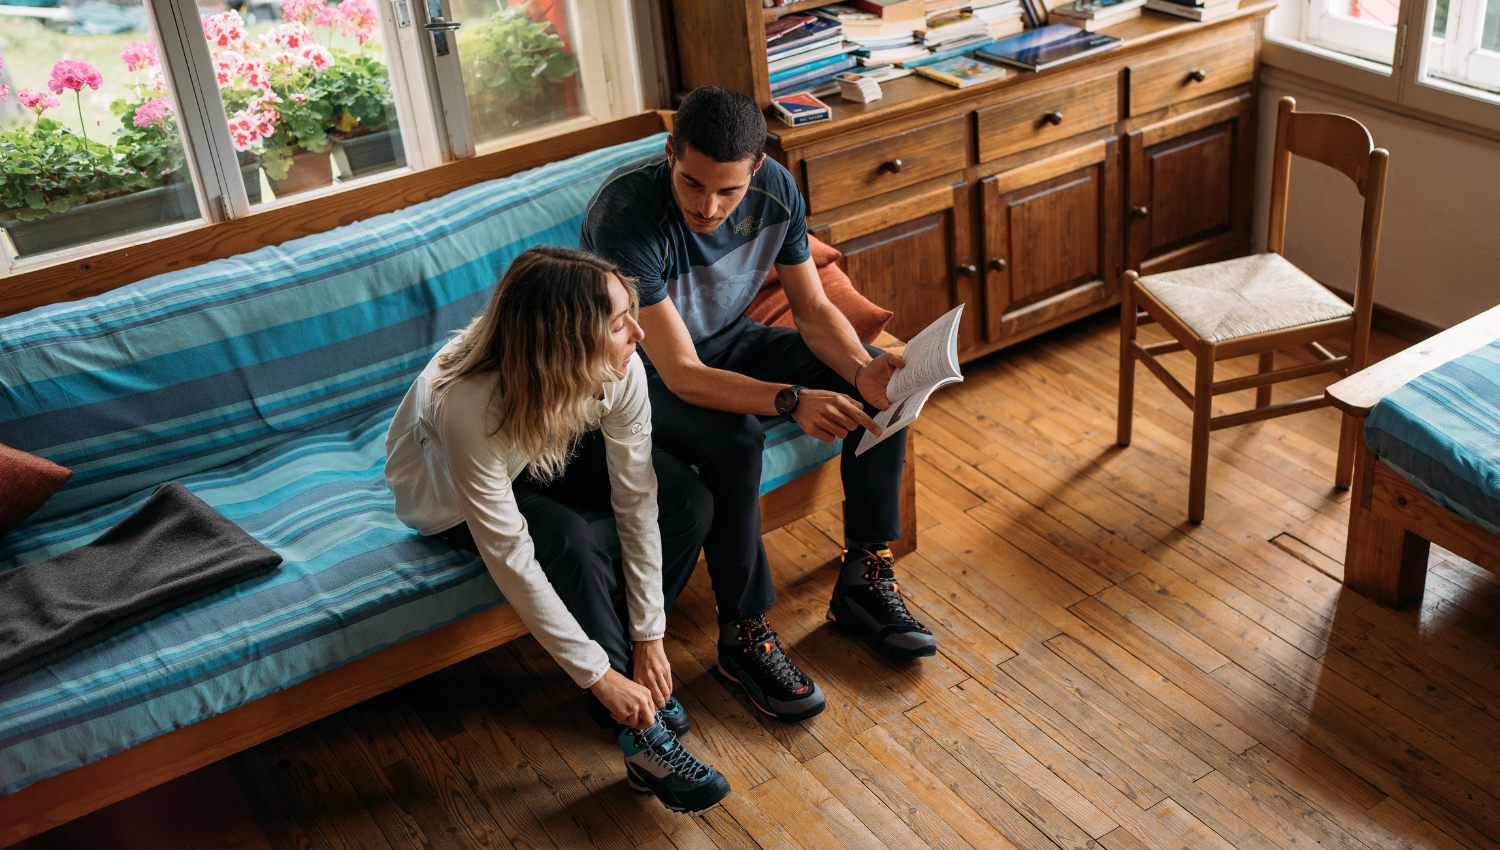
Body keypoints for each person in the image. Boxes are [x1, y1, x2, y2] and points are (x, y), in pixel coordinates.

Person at [579, 86, 937, 724]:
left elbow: (813, 309)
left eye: (728, 191)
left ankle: (866, 572)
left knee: (885, 382)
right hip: (638, 371)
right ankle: (743, 632)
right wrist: (791, 399)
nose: (707, 207)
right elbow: (682, 373)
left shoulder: (777, 188)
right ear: (670, 153)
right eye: (692, 184)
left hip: (730, 341)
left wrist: (862, 371)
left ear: (757, 168)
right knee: (736, 440)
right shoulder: (624, 214)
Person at [384, 246, 730, 813]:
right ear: (566, 343)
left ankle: (631, 670)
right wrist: (597, 676)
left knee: (687, 500)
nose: (639, 333)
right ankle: (638, 734)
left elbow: (636, 497)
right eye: (618, 324)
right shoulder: (468, 404)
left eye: (630, 314)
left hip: (548, 429)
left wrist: (649, 635)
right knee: (569, 540)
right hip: (448, 487)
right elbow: (510, 555)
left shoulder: (619, 367)